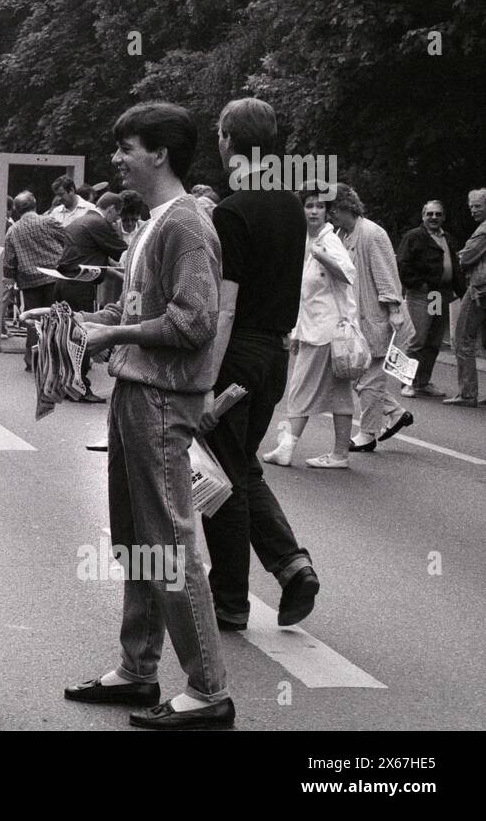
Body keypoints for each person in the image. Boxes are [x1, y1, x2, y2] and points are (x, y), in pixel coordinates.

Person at [66, 101, 234, 730]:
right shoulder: (152, 222)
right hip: (138, 393)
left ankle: (209, 689)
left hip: (162, 398)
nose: (116, 158)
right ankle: (139, 669)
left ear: (158, 153)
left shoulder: (185, 223)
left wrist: (113, 337)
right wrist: (82, 325)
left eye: (125, 147)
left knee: (167, 544)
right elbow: (141, 310)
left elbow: (194, 322)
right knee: (138, 539)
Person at [200, 97, 317, 632]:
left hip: (237, 354)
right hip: (275, 355)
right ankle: (292, 566)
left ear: (228, 139)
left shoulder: (233, 209)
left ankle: (230, 599)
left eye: (220, 134)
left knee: (220, 477)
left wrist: (206, 382)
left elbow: (225, 306)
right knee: (241, 464)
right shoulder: (291, 205)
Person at [262, 189, 358, 468]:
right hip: (318, 328)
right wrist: (296, 331)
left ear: (327, 212)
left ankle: (288, 447)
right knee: (339, 394)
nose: (314, 211)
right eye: (308, 206)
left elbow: (348, 274)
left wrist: (322, 256)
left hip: (328, 331)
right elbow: (305, 294)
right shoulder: (307, 239)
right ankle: (340, 454)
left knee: (300, 388)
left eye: (319, 206)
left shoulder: (327, 240)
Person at [330, 184, 413, 450]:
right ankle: (397, 414)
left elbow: (387, 275)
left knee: (369, 379)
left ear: (346, 207)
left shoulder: (372, 234)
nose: (330, 216)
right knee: (357, 376)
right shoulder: (342, 234)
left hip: (375, 317)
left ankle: (367, 434)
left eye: (333, 210)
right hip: (355, 318)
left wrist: (395, 311)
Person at [55, 191, 129, 402]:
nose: (116, 221)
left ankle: (66, 384)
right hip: (80, 285)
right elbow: (124, 253)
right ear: (111, 208)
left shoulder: (80, 221)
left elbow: (91, 256)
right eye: (117, 216)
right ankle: (80, 387)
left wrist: (112, 271)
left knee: (66, 335)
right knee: (82, 335)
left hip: (63, 282)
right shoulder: (99, 224)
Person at [397, 200, 463, 398]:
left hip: (439, 295)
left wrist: (459, 290)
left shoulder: (447, 238)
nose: (434, 218)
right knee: (417, 339)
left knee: (433, 340)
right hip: (422, 294)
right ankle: (406, 382)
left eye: (438, 214)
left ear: (443, 217)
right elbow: (403, 264)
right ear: (423, 216)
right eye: (430, 214)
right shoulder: (414, 237)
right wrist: (418, 284)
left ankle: (423, 382)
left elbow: (456, 265)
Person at [2, 191, 66, 371]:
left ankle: (33, 360)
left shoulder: (13, 230)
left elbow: (9, 261)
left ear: (15, 209)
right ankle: (55, 360)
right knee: (56, 320)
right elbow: (68, 239)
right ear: (35, 204)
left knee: (33, 321)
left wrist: (12, 280)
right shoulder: (48, 221)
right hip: (55, 278)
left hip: (29, 282)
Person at [446, 188, 486, 406]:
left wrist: (461, 256)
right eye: (471, 206)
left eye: (478, 206)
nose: (473, 211)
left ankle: (467, 393)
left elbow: (466, 256)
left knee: (463, 339)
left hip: (480, 289)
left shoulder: (484, 230)